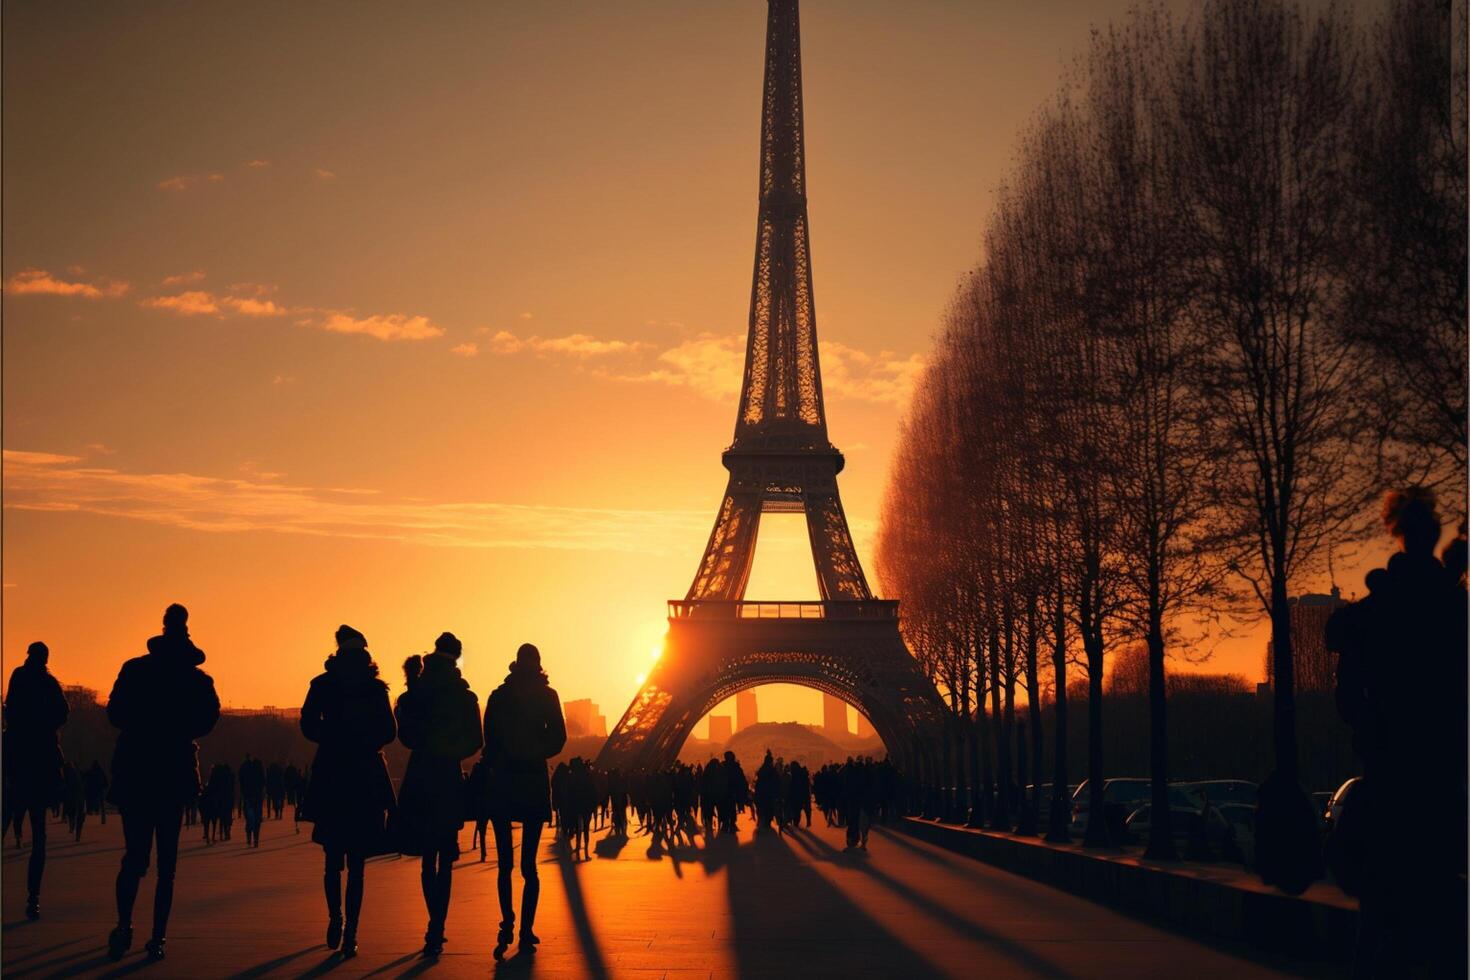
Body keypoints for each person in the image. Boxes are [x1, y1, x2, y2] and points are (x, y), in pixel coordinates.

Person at [1328, 489, 1468, 975]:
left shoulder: (1375, 608)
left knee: (1382, 915)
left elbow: (1346, 681)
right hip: (1443, 773)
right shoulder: (1454, 604)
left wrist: (1370, 729)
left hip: (1389, 770)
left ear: (1399, 536)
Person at [105, 604, 220, 962]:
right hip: (173, 772)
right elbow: (207, 719)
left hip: (137, 770)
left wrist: (144, 725)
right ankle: (158, 937)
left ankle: (124, 924)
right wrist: (178, 729)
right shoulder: (198, 681)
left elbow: (115, 713)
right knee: (167, 864)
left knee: (135, 858)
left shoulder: (135, 670)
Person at [300, 625, 396, 960]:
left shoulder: (323, 684)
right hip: (365, 777)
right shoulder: (375, 688)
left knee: (331, 858)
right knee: (357, 863)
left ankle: (335, 918)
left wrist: (333, 736)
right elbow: (388, 730)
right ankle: (352, 931)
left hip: (331, 775)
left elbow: (308, 725)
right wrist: (363, 740)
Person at [395, 632, 483, 958]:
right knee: (446, 857)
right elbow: (476, 740)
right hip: (447, 778)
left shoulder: (418, 688)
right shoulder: (463, 696)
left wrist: (425, 746)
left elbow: (404, 733)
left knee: (428, 858)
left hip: (420, 776)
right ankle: (438, 925)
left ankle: (433, 922)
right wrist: (450, 752)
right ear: (457, 658)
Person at [482, 642, 567, 959]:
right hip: (531, 780)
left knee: (505, 864)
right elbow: (558, 738)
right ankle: (527, 928)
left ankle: (507, 922)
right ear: (539, 664)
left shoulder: (498, 695)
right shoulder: (548, 695)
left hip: (503, 780)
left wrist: (503, 757)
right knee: (529, 866)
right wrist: (533, 752)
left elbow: (489, 739)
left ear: (515, 663)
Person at [4, 641, 69, 920]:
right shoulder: (49, 683)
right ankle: (33, 897)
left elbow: (10, 711)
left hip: (17, 762)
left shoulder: (19, 676)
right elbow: (63, 714)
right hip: (40, 766)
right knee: (39, 836)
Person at [238, 754, 265, 847]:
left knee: (249, 818)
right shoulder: (259, 767)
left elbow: (240, 780)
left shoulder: (244, 767)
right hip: (257, 796)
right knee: (257, 819)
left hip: (247, 796)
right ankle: (256, 839)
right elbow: (263, 781)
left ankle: (249, 837)